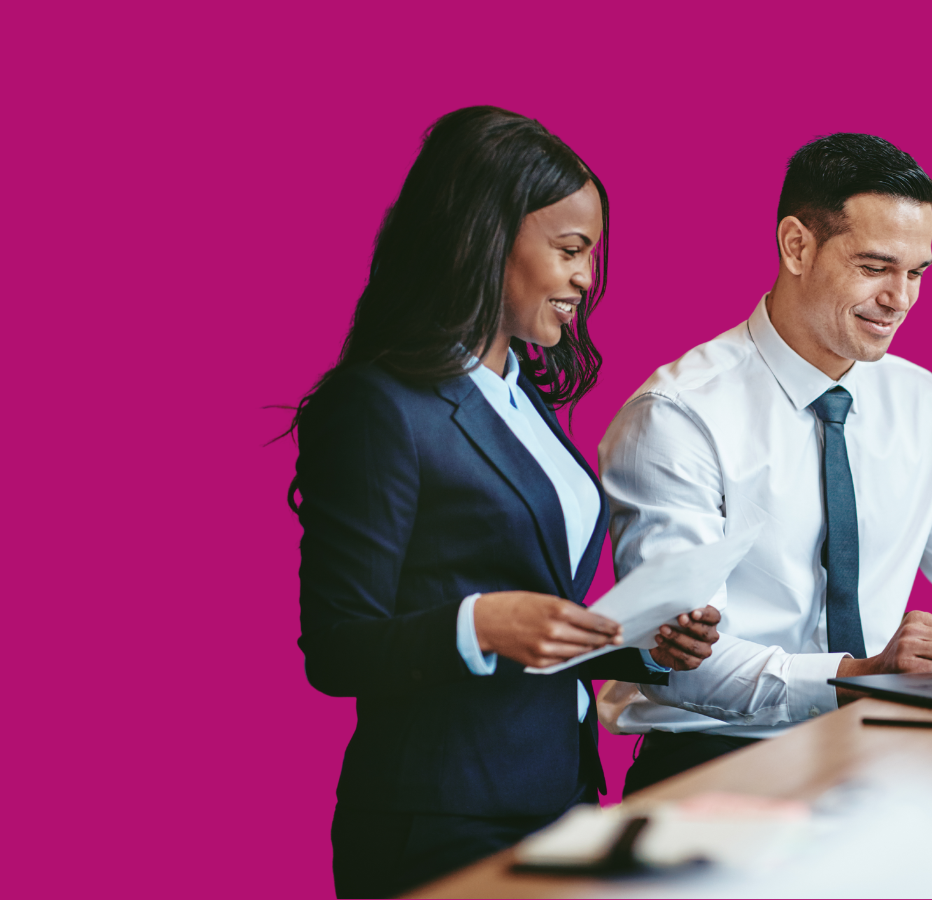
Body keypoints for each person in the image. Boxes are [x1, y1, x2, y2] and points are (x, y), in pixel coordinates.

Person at [288, 106, 722, 898]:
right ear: (487, 239)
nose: (586, 280)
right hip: (440, 823)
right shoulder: (380, 406)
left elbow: (537, 631)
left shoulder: (525, 404)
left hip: (560, 801)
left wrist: (643, 647)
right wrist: (482, 622)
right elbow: (338, 646)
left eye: (590, 255)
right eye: (569, 250)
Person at [596, 133, 932, 793]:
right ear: (797, 246)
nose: (901, 298)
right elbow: (685, 664)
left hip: (880, 760)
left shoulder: (921, 402)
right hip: (717, 771)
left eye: (917, 273)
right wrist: (865, 673)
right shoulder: (678, 416)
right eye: (876, 266)